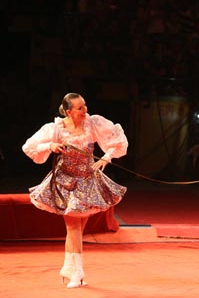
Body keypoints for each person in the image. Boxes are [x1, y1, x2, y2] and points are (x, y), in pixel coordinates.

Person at [22, 92, 128, 288]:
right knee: (73, 227)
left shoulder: (92, 123)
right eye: (80, 108)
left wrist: (107, 156)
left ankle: (68, 268)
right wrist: (50, 145)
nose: (85, 110)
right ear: (69, 111)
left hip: (87, 180)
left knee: (76, 228)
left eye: (85, 106)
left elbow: (117, 139)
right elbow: (29, 146)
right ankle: (77, 273)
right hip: (66, 181)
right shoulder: (56, 128)